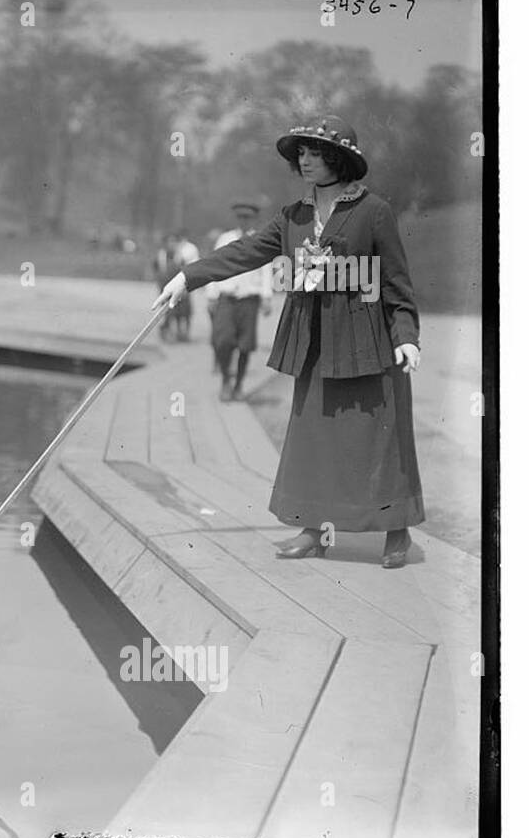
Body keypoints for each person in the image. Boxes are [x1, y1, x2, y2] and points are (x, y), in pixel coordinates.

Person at [153, 115, 423, 569]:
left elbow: (395, 282)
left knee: (376, 436)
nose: (306, 159)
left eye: (315, 152)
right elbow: (245, 252)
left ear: (338, 159)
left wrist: (407, 337)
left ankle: (397, 533)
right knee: (313, 435)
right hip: (314, 342)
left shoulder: (373, 211)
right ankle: (314, 530)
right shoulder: (293, 216)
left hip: (368, 342)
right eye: (301, 153)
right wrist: (187, 277)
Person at [206, 197, 274, 401]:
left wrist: (267, 297)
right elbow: (213, 265)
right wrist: (211, 295)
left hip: (249, 300)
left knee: (245, 345)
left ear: (254, 219)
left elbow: (266, 270)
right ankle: (226, 379)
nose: (244, 221)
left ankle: (238, 385)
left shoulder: (260, 239)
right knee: (223, 341)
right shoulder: (225, 239)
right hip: (227, 298)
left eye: (248, 217)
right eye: (240, 217)